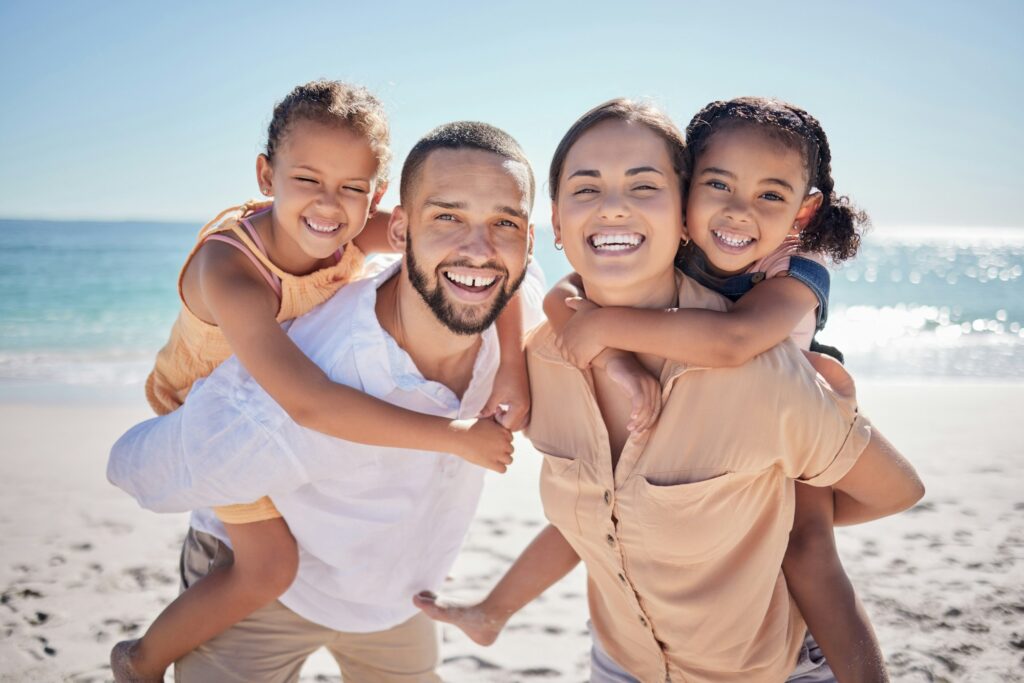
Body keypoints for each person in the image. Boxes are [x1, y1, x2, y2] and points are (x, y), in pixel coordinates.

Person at [414, 100, 924, 682]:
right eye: (586, 190)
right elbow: (564, 300)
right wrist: (596, 357)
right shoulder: (545, 358)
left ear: (678, 212)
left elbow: (736, 342)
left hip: (765, 663)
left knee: (807, 547)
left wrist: (763, 521)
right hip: (622, 663)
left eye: (643, 186)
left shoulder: (771, 357)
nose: (613, 207)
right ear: (554, 224)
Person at [108, 120, 542, 682]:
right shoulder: (237, 281)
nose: (478, 246)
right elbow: (306, 404)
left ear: (377, 199)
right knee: (268, 569)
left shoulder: (407, 250)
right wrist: (452, 436)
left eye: (503, 223)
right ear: (267, 175)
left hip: (394, 594)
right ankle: (142, 659)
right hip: (226, 428)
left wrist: (511, 363)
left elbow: (505, 267)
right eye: (449, 216)